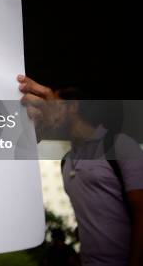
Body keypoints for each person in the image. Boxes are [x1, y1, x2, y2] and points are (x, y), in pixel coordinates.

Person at [18, 76, 143, 266]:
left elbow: (141, 211)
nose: (46, 108)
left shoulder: (119, 145)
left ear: (73, 106)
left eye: (55, 103)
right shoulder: (66, 161)